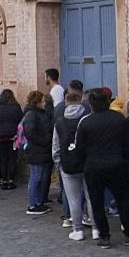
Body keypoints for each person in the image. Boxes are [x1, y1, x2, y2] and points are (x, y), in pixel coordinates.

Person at [74, 88, 129, 246]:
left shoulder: (86, 122)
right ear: (108, 102)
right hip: (117, 164)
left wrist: (82, 163)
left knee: (97, 202)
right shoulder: (119, 119)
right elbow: (128, 143)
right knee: (123, 200)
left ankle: (104, 236)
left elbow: (79, 148)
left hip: (94, 167)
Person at [55, 88, 93, 236]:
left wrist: (58, 162)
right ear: (80, 102)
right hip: (86, 161)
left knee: (74, 199)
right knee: (91, 197)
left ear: (66, 103)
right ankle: (96, 228)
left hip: (67, 163)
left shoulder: (59, 122)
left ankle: (77, 229)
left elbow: (55, 145)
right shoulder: (88, 119)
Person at [21, 90, 55, 214]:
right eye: (43, 101)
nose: (44, 103)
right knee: (36, 177)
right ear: (38, 102)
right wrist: (45, 141)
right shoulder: (32, 114)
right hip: (37, 151)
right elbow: (30, 133)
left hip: (42, 150)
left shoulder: (39, 113)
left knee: (41, 177)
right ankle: (32, 204)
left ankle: (39, 202)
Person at [0, 88, 24, 190]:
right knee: (12, 158)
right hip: (13, 136)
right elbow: (21, 120)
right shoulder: (16, 106)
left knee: (3, 159)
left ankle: (3, 180)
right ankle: (11, 180)